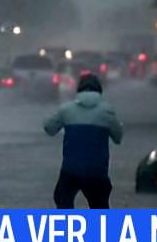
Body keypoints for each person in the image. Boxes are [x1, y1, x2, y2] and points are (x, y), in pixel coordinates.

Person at [43, 73, 123, 208]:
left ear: (79, 90)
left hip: (71, 170)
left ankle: (68, 227)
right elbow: (118, 138)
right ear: (99, 90)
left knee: (62, 198)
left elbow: (49, 128)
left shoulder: (66, 109)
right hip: (98, 171)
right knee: (100, 206)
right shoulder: (107, 111)